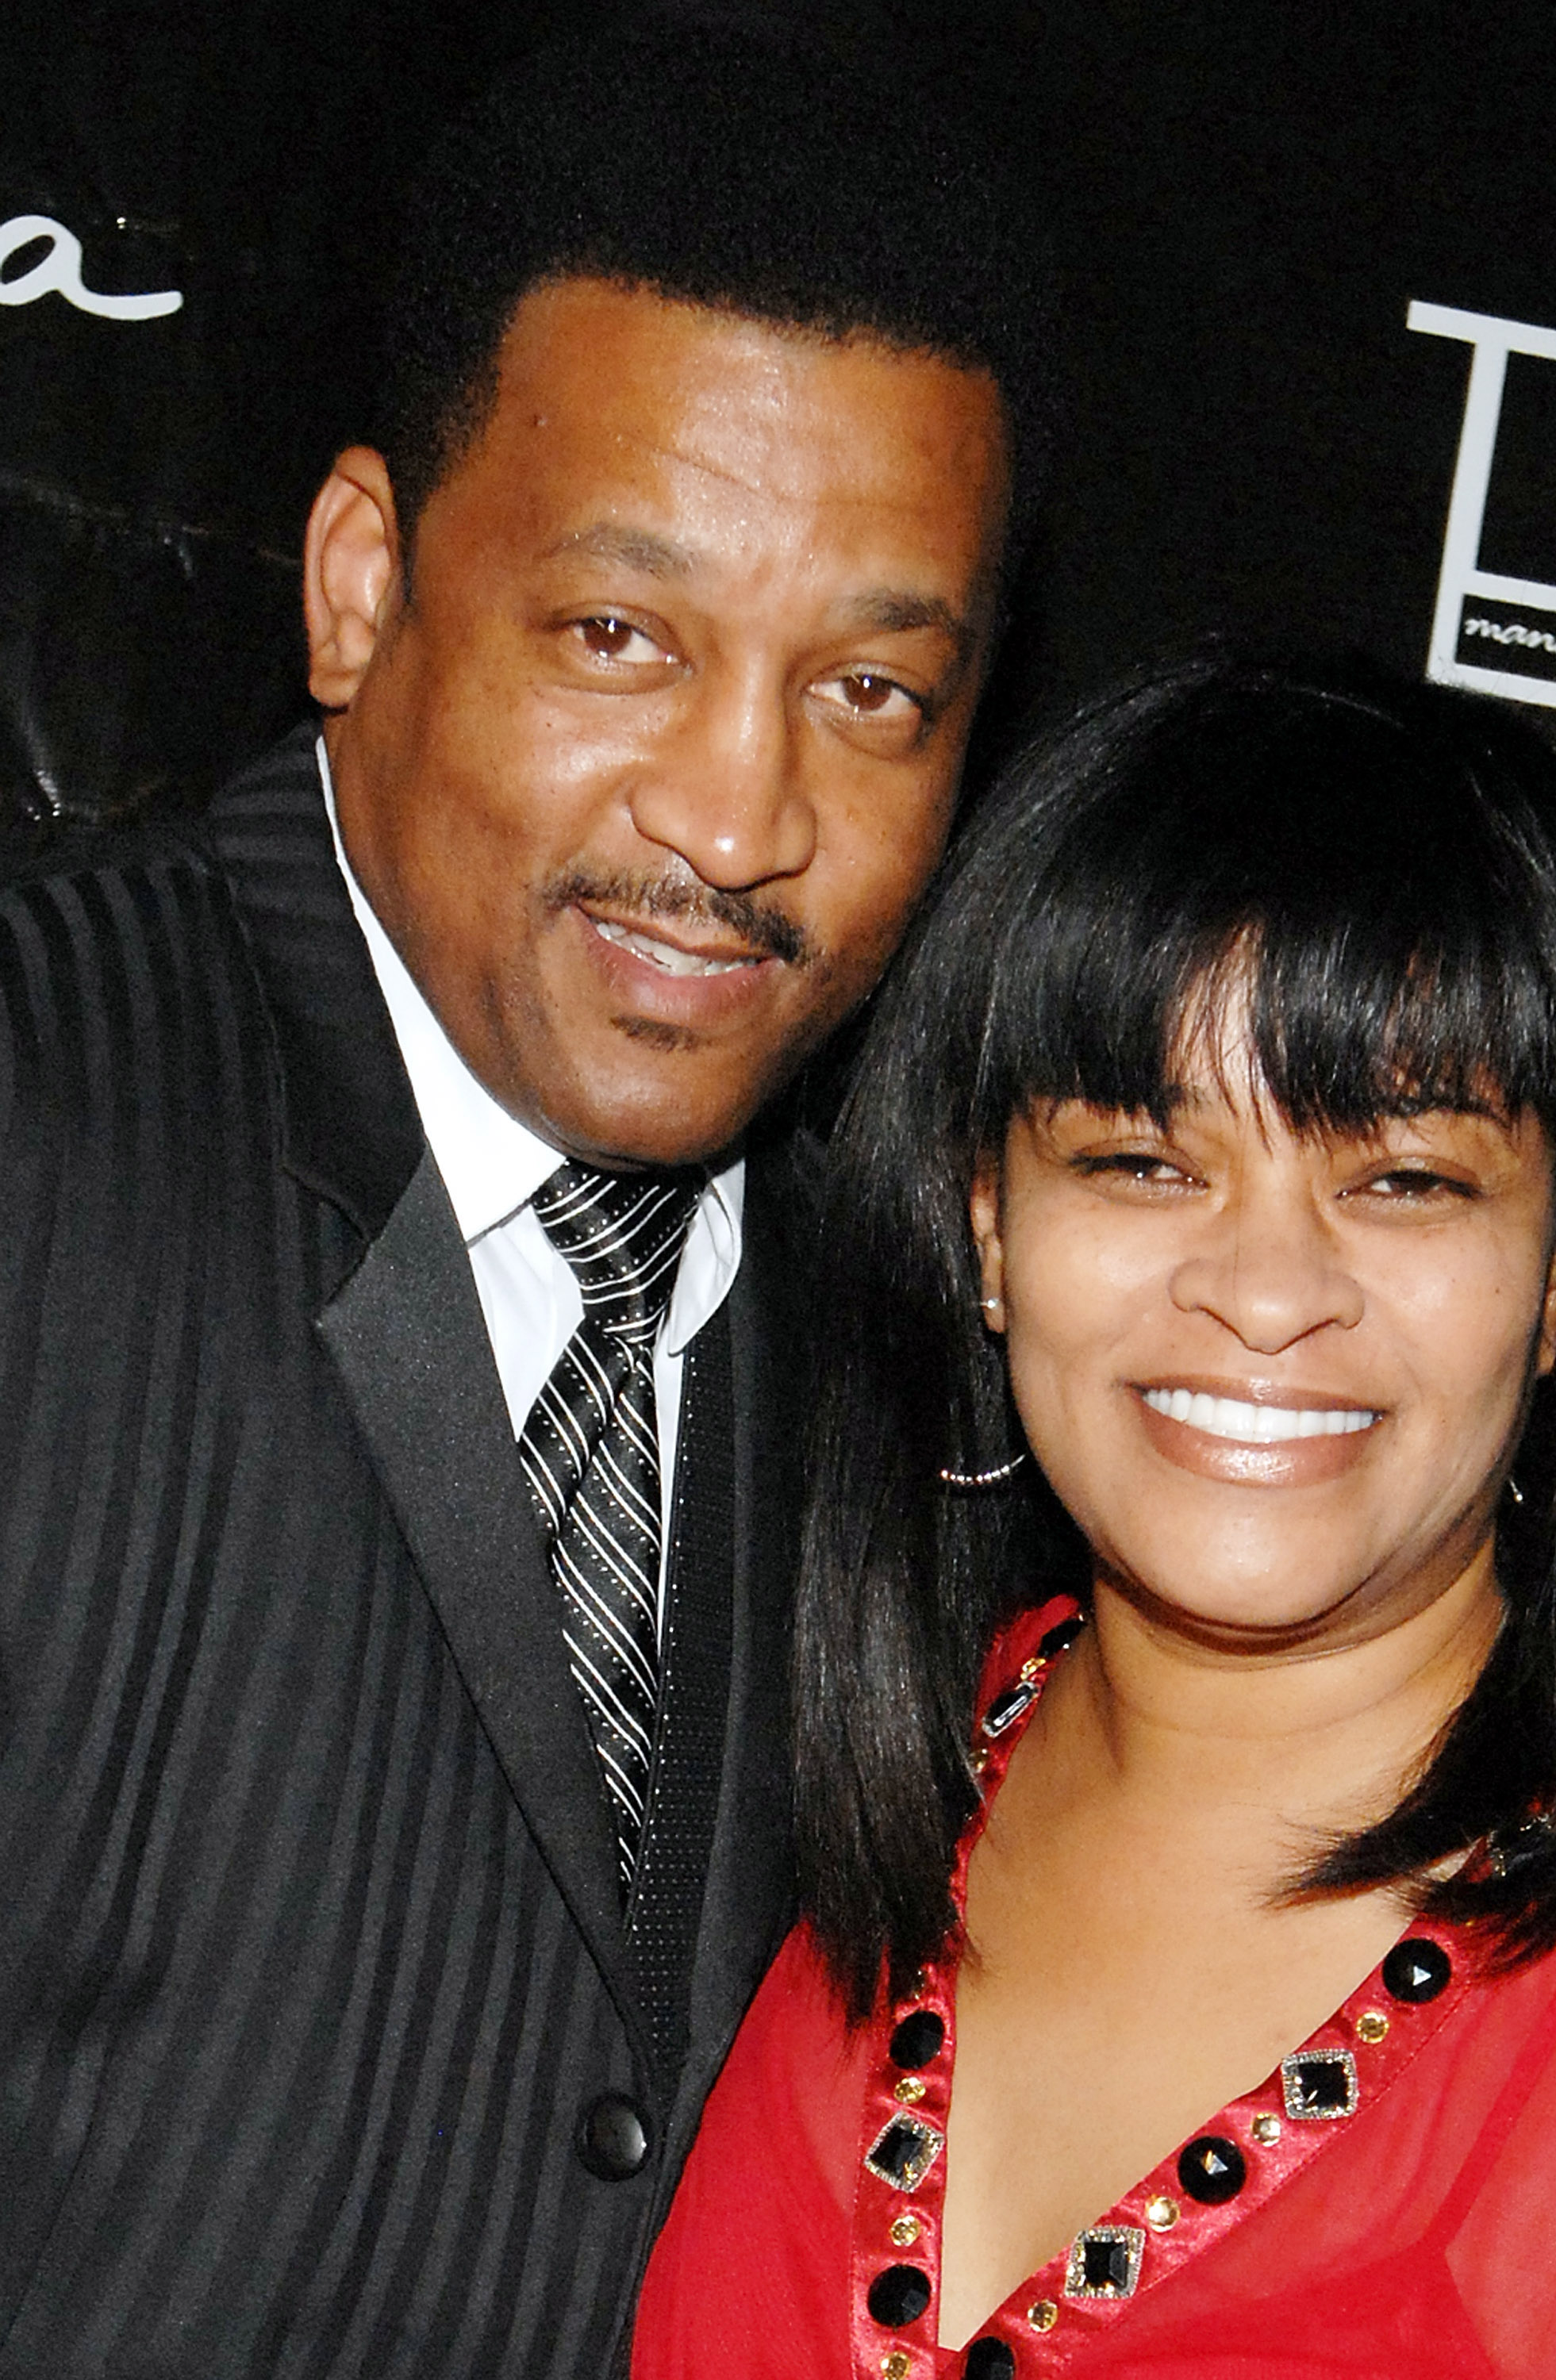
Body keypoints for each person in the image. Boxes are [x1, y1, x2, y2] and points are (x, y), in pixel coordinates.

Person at [0, 25, 1054, 2378]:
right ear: (361, 584)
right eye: (620, 638)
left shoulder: (946, 1381)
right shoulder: (43, 1113)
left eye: (871, 694)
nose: (736, 818)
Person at [636, 658, 1556, 2378]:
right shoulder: (837, 1771)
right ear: (986, 1227)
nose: (1264, 1294)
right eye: (1141, 1162)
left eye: (1402, 1180)